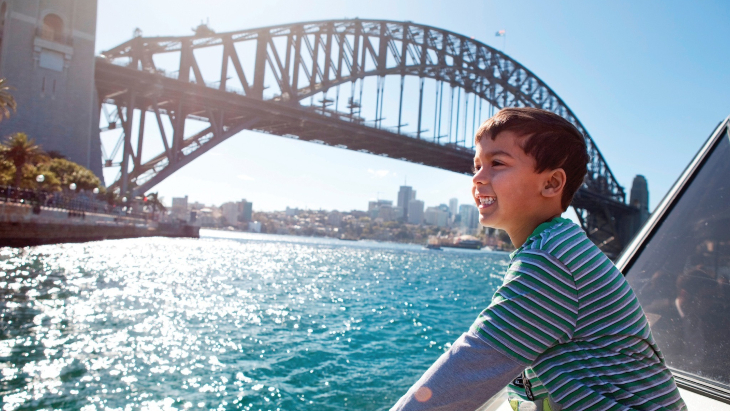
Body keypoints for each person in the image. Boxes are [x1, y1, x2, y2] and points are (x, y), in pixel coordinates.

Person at [391, 108, 686, 411]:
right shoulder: (557, 244)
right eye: (477, 165)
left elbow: (473, 363)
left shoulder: (552, 259)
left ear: (551, 184)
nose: (478, 177)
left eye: (497, 163)